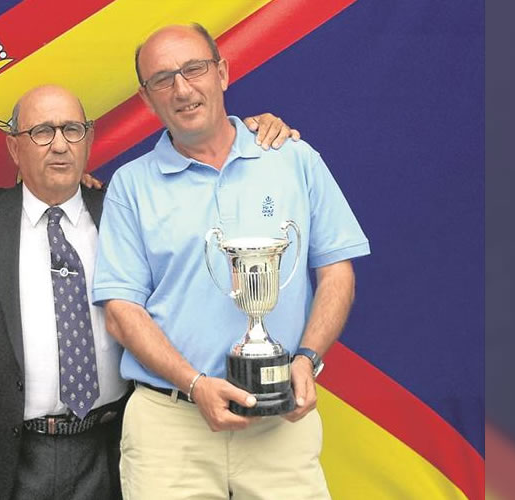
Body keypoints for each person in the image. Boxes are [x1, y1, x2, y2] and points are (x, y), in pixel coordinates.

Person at [0, 84, 299, 500]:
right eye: (42, 132)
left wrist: (255, 130)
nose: (60, 145)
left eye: (72, 130)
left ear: (90, 138)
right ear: (13, 147)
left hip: (114, 444)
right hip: (16, 452)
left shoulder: (125, 209)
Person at [93, 24, 371, 499]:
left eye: (194, 69)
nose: (182, 89)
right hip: (170, 429)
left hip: (281, 424)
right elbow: (121, 312)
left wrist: (307, 358)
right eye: (163, 79)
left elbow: (336, 272)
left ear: (222, 72)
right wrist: (195, 383)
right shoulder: (130, 186)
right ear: (146, 99)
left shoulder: (294, 159)